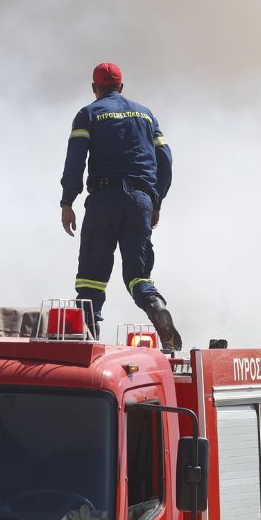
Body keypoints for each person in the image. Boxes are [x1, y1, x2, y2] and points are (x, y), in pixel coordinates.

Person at [59, 62, 182, 350]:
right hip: (139, 202)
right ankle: (154, 303)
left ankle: (88, 335)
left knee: (92, 273)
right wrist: (156, 201)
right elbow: (165, 159)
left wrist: (68, 201)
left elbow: (75, 161)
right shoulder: (146, 115)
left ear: (94, 88)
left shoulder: (89, 113)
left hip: (103, 200)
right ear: (122, 86)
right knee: (138, 274)